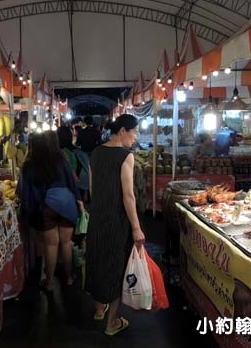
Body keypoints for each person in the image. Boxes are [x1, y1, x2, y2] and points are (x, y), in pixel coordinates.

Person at [85, 114, 145, 336]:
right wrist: (137, 228)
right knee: (116, 268)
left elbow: (92, 189)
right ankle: (111, 324)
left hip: (98, 217)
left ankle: (99, 309)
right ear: (122, 131)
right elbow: (128, 196)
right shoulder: (125, 156)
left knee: (97, 261)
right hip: (117, 220)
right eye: (134, 132)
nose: (135, 137)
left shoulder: (96, 153)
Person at [17, 132, 84, 290]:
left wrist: (29, 210)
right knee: (66, 242)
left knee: (51, 245)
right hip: (67, 203)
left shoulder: (29, 165)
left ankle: (48, 282)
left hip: (47, 206)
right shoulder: (61, 160)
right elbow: (72, 183)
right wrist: (79, 201)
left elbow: (24, 192)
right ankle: (69, 277)